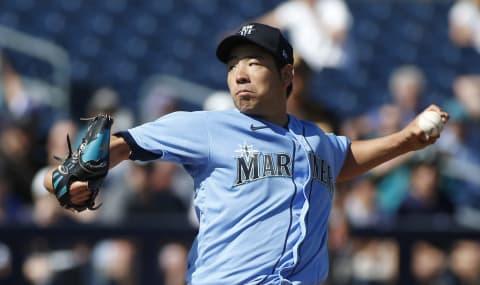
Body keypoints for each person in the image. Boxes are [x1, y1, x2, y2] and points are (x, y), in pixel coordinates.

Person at [43, 23, 449, 284]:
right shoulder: (208, 127)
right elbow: (120, 146)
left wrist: (408, 140)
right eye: (233, 65)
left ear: (287, 75)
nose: (239, 73)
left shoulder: (318, 139)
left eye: (253, 63)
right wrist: (63, 179)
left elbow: (344, 160)